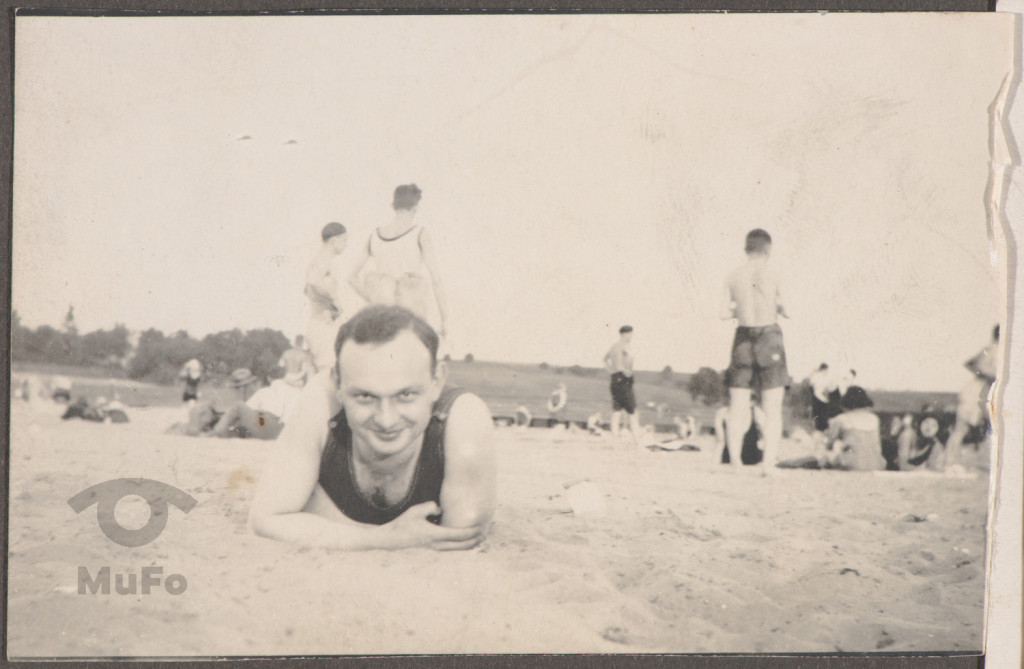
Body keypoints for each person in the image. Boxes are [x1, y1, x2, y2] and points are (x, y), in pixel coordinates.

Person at [248, 305, 495, 551]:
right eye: (365, 396)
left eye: (406, 395)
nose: (386, 420)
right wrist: (388, 538)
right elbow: (266, 518)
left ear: (437, 381)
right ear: (338, 384)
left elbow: (458, 543)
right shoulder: (321, 398)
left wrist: (321, 513)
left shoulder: (462, 417)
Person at [720, 228, 790, 475]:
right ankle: (768, 465)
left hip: (743, 336)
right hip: (769, 336)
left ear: (746, 249)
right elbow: (789, 310)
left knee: (737, 406)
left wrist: (741, 309)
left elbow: (722, 313)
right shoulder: (775, 273)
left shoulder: (733, 276)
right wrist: (774, 306)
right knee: (772, 409)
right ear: (768, 249)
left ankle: (736, 463)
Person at [346, 184, 449, 338]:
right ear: (415, 207)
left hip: (381, 314)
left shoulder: (374, 235)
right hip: (410, 314)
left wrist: (373, 299)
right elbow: (436, 280)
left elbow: (351, 277)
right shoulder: (420, 233)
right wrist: (445, 319)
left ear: (393, 206)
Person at [944, 325, 1000, 474]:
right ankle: (950, 462)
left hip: (988, 390)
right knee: (963, 427)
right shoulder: (993, 349)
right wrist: (988, 376)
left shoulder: (997, 350)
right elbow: (972, 365)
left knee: (993, 426)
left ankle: (988, 462)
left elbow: (970, 364)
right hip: (978, 390)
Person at [211, 368, 304, 440]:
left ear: (269, 378)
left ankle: (216, 432)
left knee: (238, 406)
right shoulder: (294, 392)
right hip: (281, 431)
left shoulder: (265, 391)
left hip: (265, 424)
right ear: (284, 377)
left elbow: (247, 409)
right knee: (246, 427)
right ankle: (226, 432)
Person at [306, 222, 350, 372]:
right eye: (344, 240)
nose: (346, 245)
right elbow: (313, 281)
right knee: (328, 369)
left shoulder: (323, 260)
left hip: (323, 321)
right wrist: (334, 300)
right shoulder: (323, 259)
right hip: (323, 324)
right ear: (333, 241)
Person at [821, 386, 885, 471]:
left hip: (853, 464)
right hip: (877, 464)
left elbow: (829, 444)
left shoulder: (841, 419)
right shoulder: (874, 419)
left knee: (825, 456)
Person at [603, 325, 641, 446]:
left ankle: (615, 442)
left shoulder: (615, 346)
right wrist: (626, 373)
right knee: (632, 412)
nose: (631, 336)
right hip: (623, 379)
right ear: (624, 334)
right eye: (629, 334)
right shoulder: (621, 347)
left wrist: (611, 371)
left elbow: (605, 359)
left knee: (617, 411)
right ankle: (638, 443)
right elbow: (620, 365)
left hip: (615, 380)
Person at [808, 363, 835, 433]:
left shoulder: (828, 377)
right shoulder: (816, 376)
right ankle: (818, 429)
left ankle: (823, 429)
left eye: (826, 370)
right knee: (818, 413)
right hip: (817, 396)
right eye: (824, 370)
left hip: (825, 398)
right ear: (822, 369)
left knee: (824, 414)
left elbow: (830, 386)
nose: (825, 371)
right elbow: (812, 385)